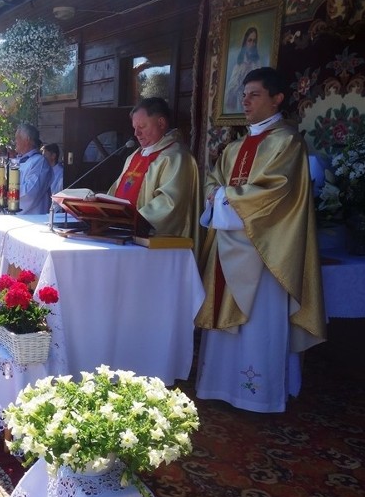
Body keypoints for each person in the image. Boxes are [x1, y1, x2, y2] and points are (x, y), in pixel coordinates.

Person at [195, 67, 326, 413]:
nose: (246, 101)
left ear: (277, 98)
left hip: (266, 250)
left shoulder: (287, 143)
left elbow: (277, 192)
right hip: (227, 246)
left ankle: (257, 397)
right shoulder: (235, 146)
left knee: (259, 323)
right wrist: (215, 194)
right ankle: (220, 386)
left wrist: (222, 197)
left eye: (254, 94)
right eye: (244, 94)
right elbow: (213, 181)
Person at [106, 97, 200, 238]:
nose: (136, 134)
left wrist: (135, 222)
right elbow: (116, 192)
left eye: (142, 127)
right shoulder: (134, 157)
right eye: (135, 128)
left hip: (152, 241)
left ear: (161, 123)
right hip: (121, 234)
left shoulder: (177, 157)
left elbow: (170, 203)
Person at [13, 123, 53, 215]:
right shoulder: (19, 161)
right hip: (17, 218)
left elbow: (30, 193)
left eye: (17, 138)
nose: (15, 141)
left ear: (27, 139)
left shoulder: (39, 162)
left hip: (33, 219)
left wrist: (9, 193)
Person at [225, 27, 262, 114]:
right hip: (239, 102)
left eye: (254, 41)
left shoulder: (257, 64)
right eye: (250, 40)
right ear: (245, 42)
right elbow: (230, 89)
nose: (252, 44)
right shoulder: (238, 65)